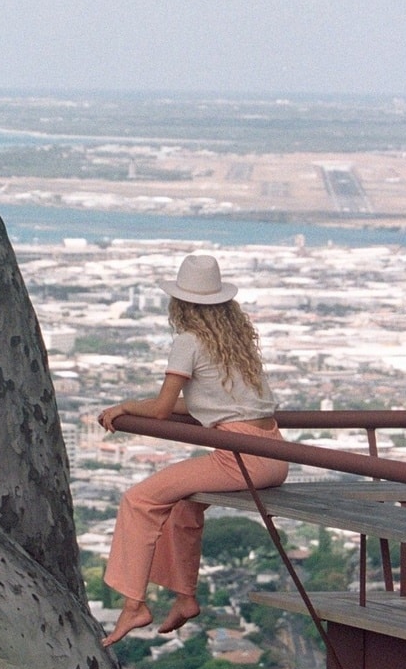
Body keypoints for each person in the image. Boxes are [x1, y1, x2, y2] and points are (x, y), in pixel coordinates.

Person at [97, 253, 288, 647]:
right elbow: (211, 407)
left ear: (179, 303)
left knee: (139, 499)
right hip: (275, 454)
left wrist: (126, 407)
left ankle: (134, 605)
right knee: (185, 503)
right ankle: (185, 598)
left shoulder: (188, 341)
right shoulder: (234, 342)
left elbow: (163, 409)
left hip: (239, 457)